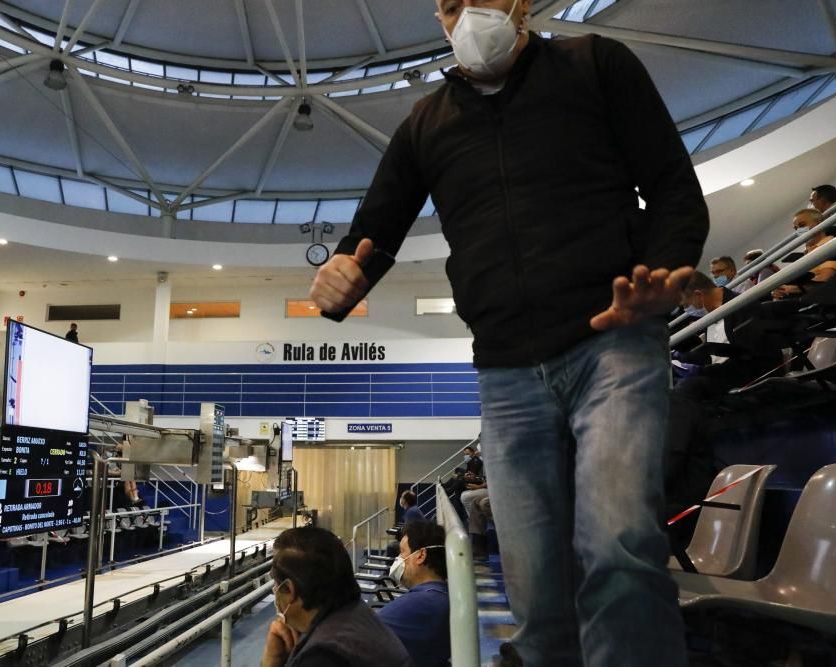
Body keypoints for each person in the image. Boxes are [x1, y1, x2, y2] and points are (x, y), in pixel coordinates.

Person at [308, 1, 709, 664]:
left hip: (612, 340)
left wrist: (664, 271)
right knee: (535, 593)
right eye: (448, 4)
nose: (464, 12)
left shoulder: (595, 64)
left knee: (617, 547)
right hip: (505, 373)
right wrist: (345, 275)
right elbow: (370, 236)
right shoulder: (425, 124)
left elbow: (672, 185)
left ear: (520, 2)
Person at [666, 273, 784, 519]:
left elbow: (752, 354)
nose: (688, 309)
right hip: (719, 374)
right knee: (673, 388)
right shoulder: (710, 316)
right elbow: (712, 354)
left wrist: (703, 369)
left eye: (687, 303)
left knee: (685, 391)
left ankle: (671, 464)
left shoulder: (743, 305)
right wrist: (684, 360)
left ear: (698, 294)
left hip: (744, 371)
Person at [262, 526, 412, 667]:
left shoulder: (322, 657)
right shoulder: (357, 615)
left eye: (276, 583)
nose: (275, 589)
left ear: (289, 589)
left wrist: (271, 661)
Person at [377, 521, 451, 667]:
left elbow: (362, 636)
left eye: (402, 551)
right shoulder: (439, 594)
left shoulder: (424, 603)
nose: (398, 558)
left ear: (421, 555)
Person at [772, 209, 836, 299]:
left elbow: (826, 278)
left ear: (819, 223)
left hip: (816, 299)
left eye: (802, 225)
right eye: (796, 228)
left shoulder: (830, 246)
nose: (799, 231)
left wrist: (794, 289)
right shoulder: (808, 251)